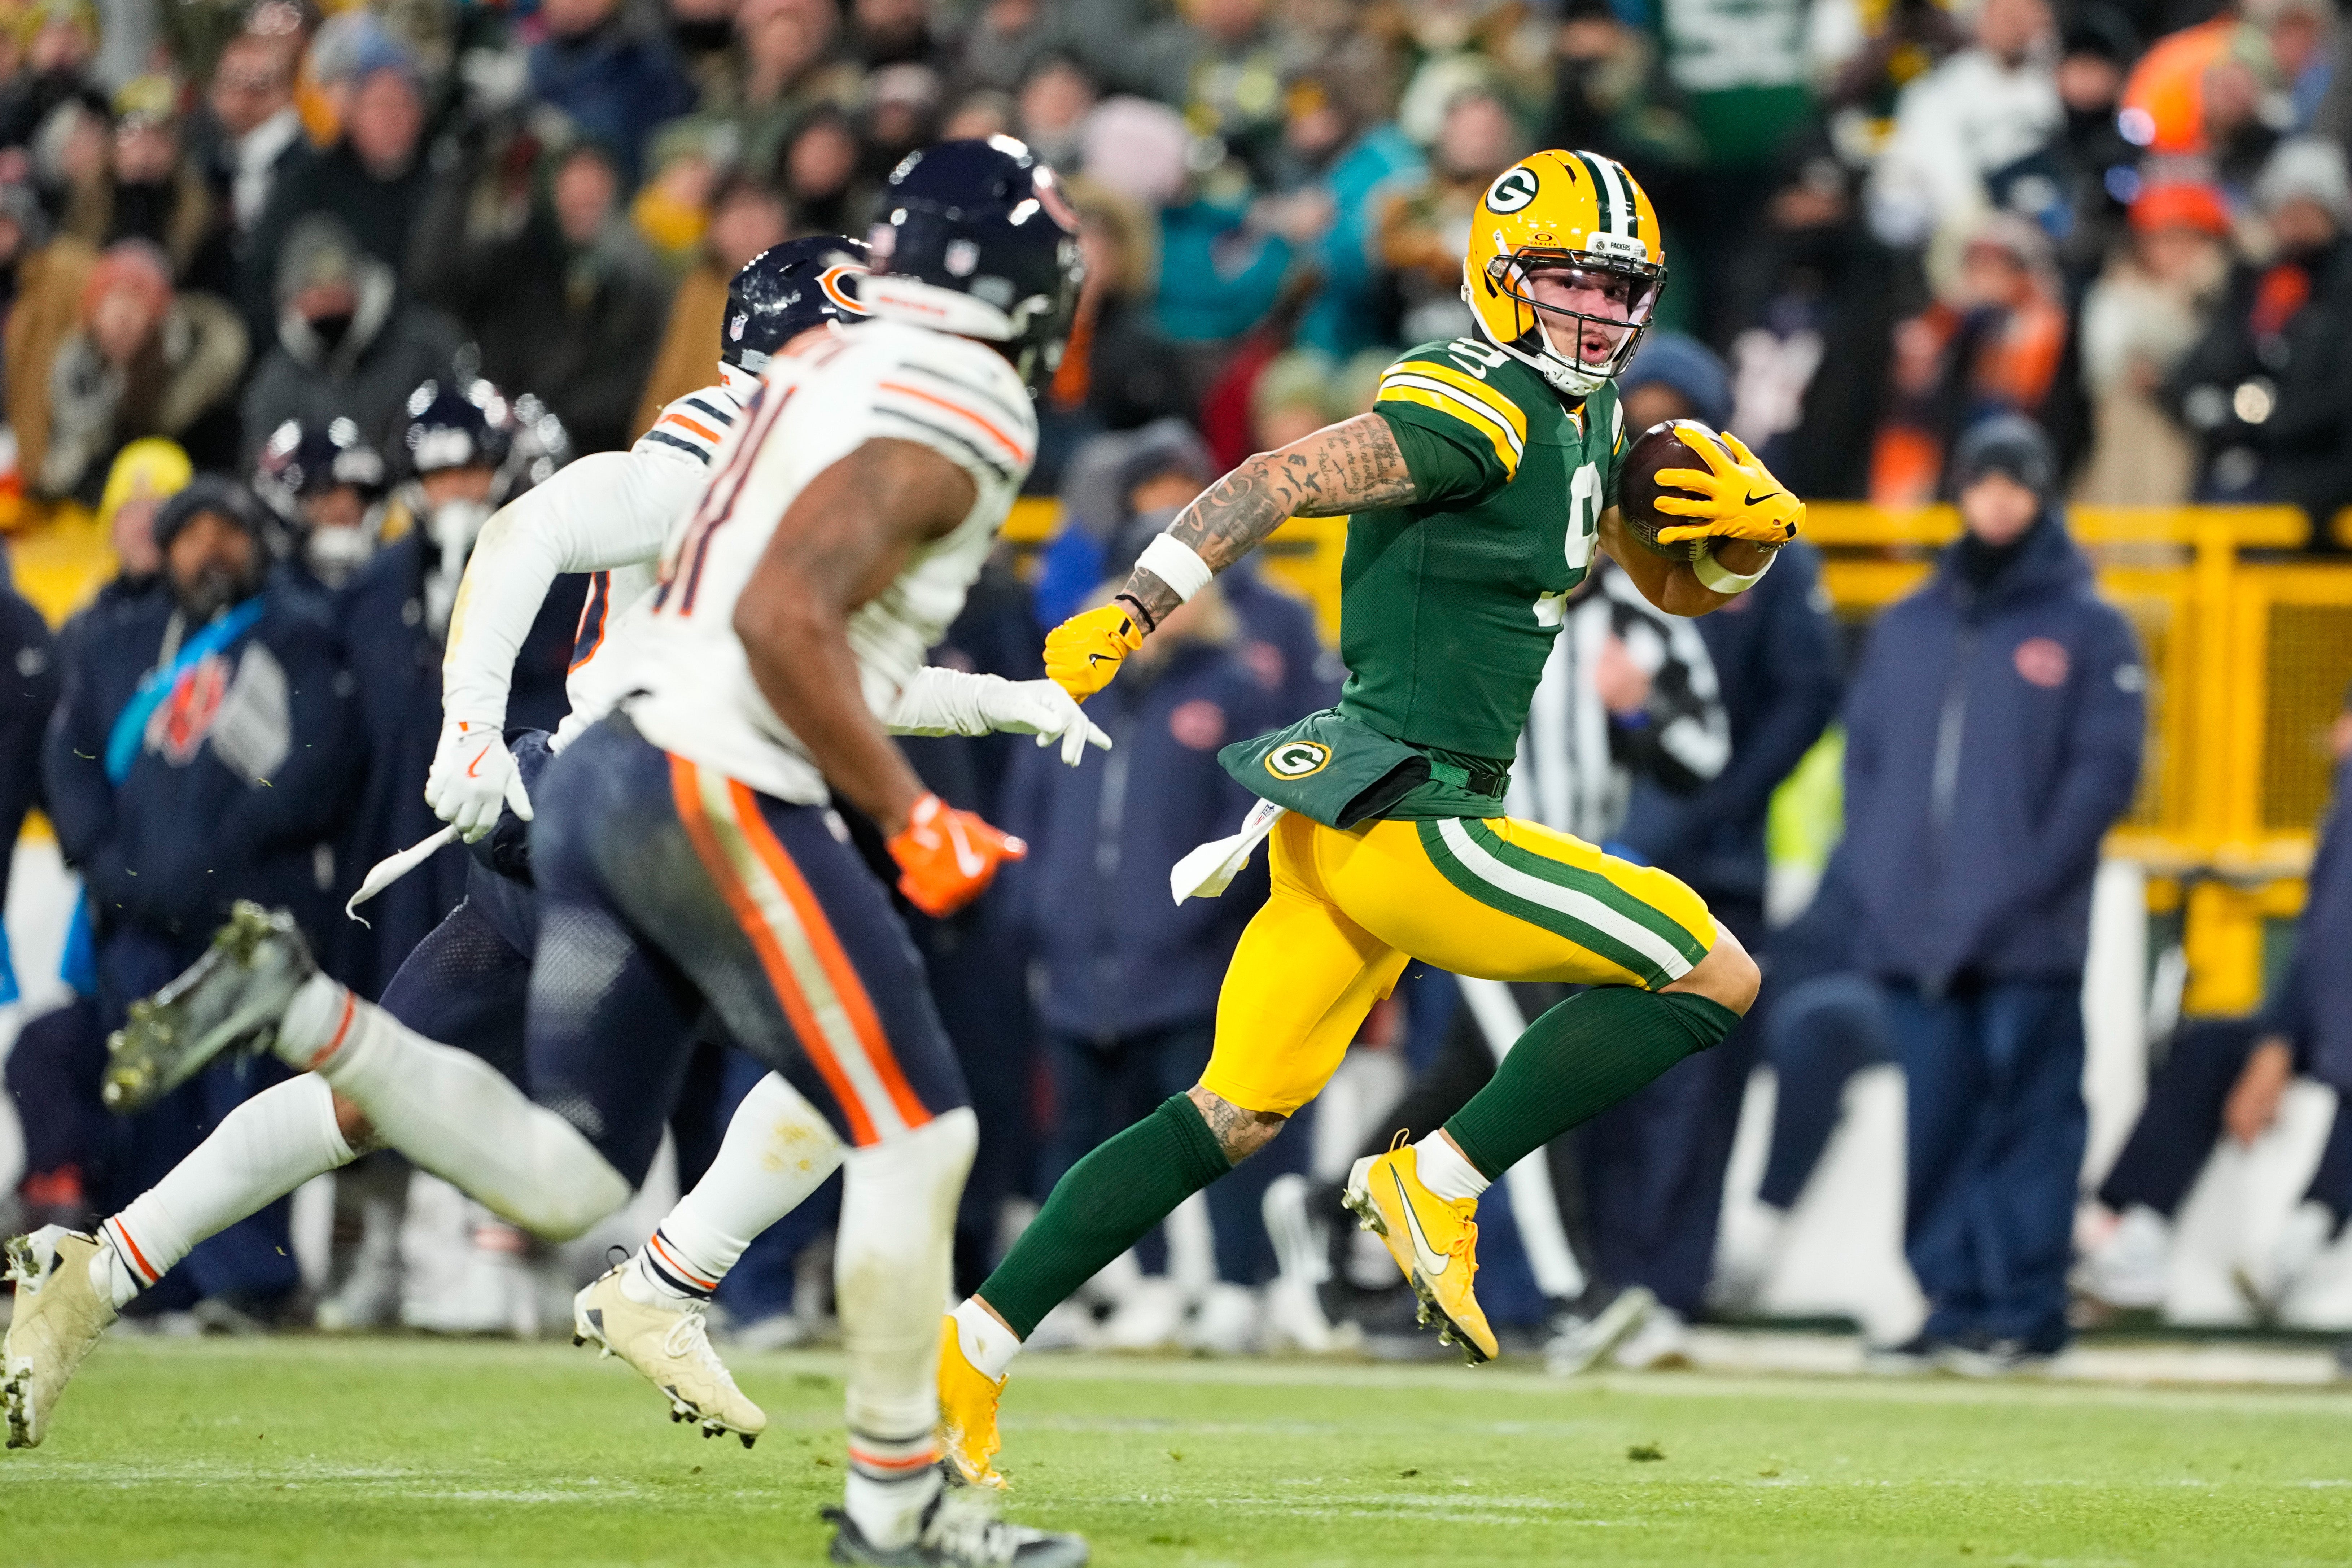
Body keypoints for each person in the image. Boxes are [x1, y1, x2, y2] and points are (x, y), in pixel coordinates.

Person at [34, 140, 1097, 1568]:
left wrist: (1001, 697)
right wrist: (469, 731)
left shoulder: (797, 439)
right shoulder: (748, 434)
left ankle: (112, 1255)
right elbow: (554, 534)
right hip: (659, 804)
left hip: (583, 812)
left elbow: (810, 651)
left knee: (514, 1155)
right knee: (891, 1091)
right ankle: (759, 1369)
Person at [937, 148, 1792, 1488]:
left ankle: (970, 1354)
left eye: (1615, 289)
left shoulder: (1585, 415)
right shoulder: (1477, 412)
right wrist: (1135, 606)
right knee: (1710, 967)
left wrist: (1726, 550)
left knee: (1227, 1116)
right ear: (1498, 281)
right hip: (1414, 817)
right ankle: (1436, 1180)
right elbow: (1264, 481)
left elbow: (1625, 578)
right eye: (1564, 283)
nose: (1593, 313)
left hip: (1349, 820)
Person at [15, 476, 355, 1364]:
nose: (210, 549)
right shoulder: (120, 642)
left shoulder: (295, 636)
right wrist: (105, 862)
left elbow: (318, 760)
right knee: (147, 1097)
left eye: (226, 533)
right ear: (163, 551)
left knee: (244, 1099)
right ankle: (152, 1280)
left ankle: (247, 1280)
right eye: (190, 534)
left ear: (256, 543)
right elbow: (71, 754)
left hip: (247, 919)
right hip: (137, 920)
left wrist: (223, 864)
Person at [1841, 414, 2145, 1374]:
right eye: (1982, 480)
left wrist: (2018, 892)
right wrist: (1880, 885)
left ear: (2041, 491)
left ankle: (2020, 1309)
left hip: (2026, 938)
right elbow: (1867, 769)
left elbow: (2100, 781)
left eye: (2015, 481)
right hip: (1914, 932)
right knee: (1932, 1123)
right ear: (1960, 491)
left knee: (2028, 1123)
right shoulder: (1907, 622)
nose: (1997, 498)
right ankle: (1947, 1305)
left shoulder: (2090, 626)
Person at [2078, 688, 2352, 1318]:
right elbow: (2319, 951)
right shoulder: (2341, 812)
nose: (2336, 739)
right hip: (2330, 1018)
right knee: (2210, 1045)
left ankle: (2300, 1238)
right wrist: (2277, 1045)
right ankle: (2137, 1231)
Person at [239, 213, 464, 465]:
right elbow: (263, 472)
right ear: (293, 300)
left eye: (336, 286)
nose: (328, 301)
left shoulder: (424, 347)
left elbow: (462, 427)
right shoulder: (277, 383)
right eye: (313, 291)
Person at [38, 239, 246, 500]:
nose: (121, 318)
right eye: (110, 302)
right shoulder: (79, 376)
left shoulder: (202, 402)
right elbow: (59, 472)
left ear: (158, 319)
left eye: (136, 303)